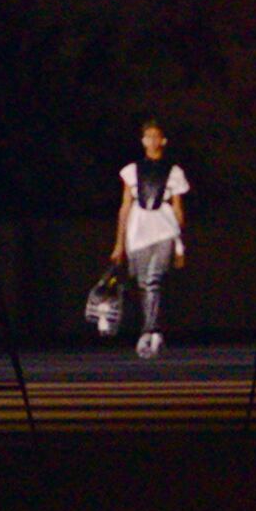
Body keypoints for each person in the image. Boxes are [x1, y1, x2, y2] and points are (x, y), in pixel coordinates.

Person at [109, 120, 190, 359]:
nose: (153, 141)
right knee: (142, 281)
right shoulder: (131, 171)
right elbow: (125, 206)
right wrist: (118, 243)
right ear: (143, 141)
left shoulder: (174, 172)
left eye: (157, 137)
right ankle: (152, 328)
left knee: (154, 279)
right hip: (138, 228)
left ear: (163, 141)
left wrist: (180, 245)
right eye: (148, 137)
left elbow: (178, 209)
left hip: (163, 227)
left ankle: (150, 331)